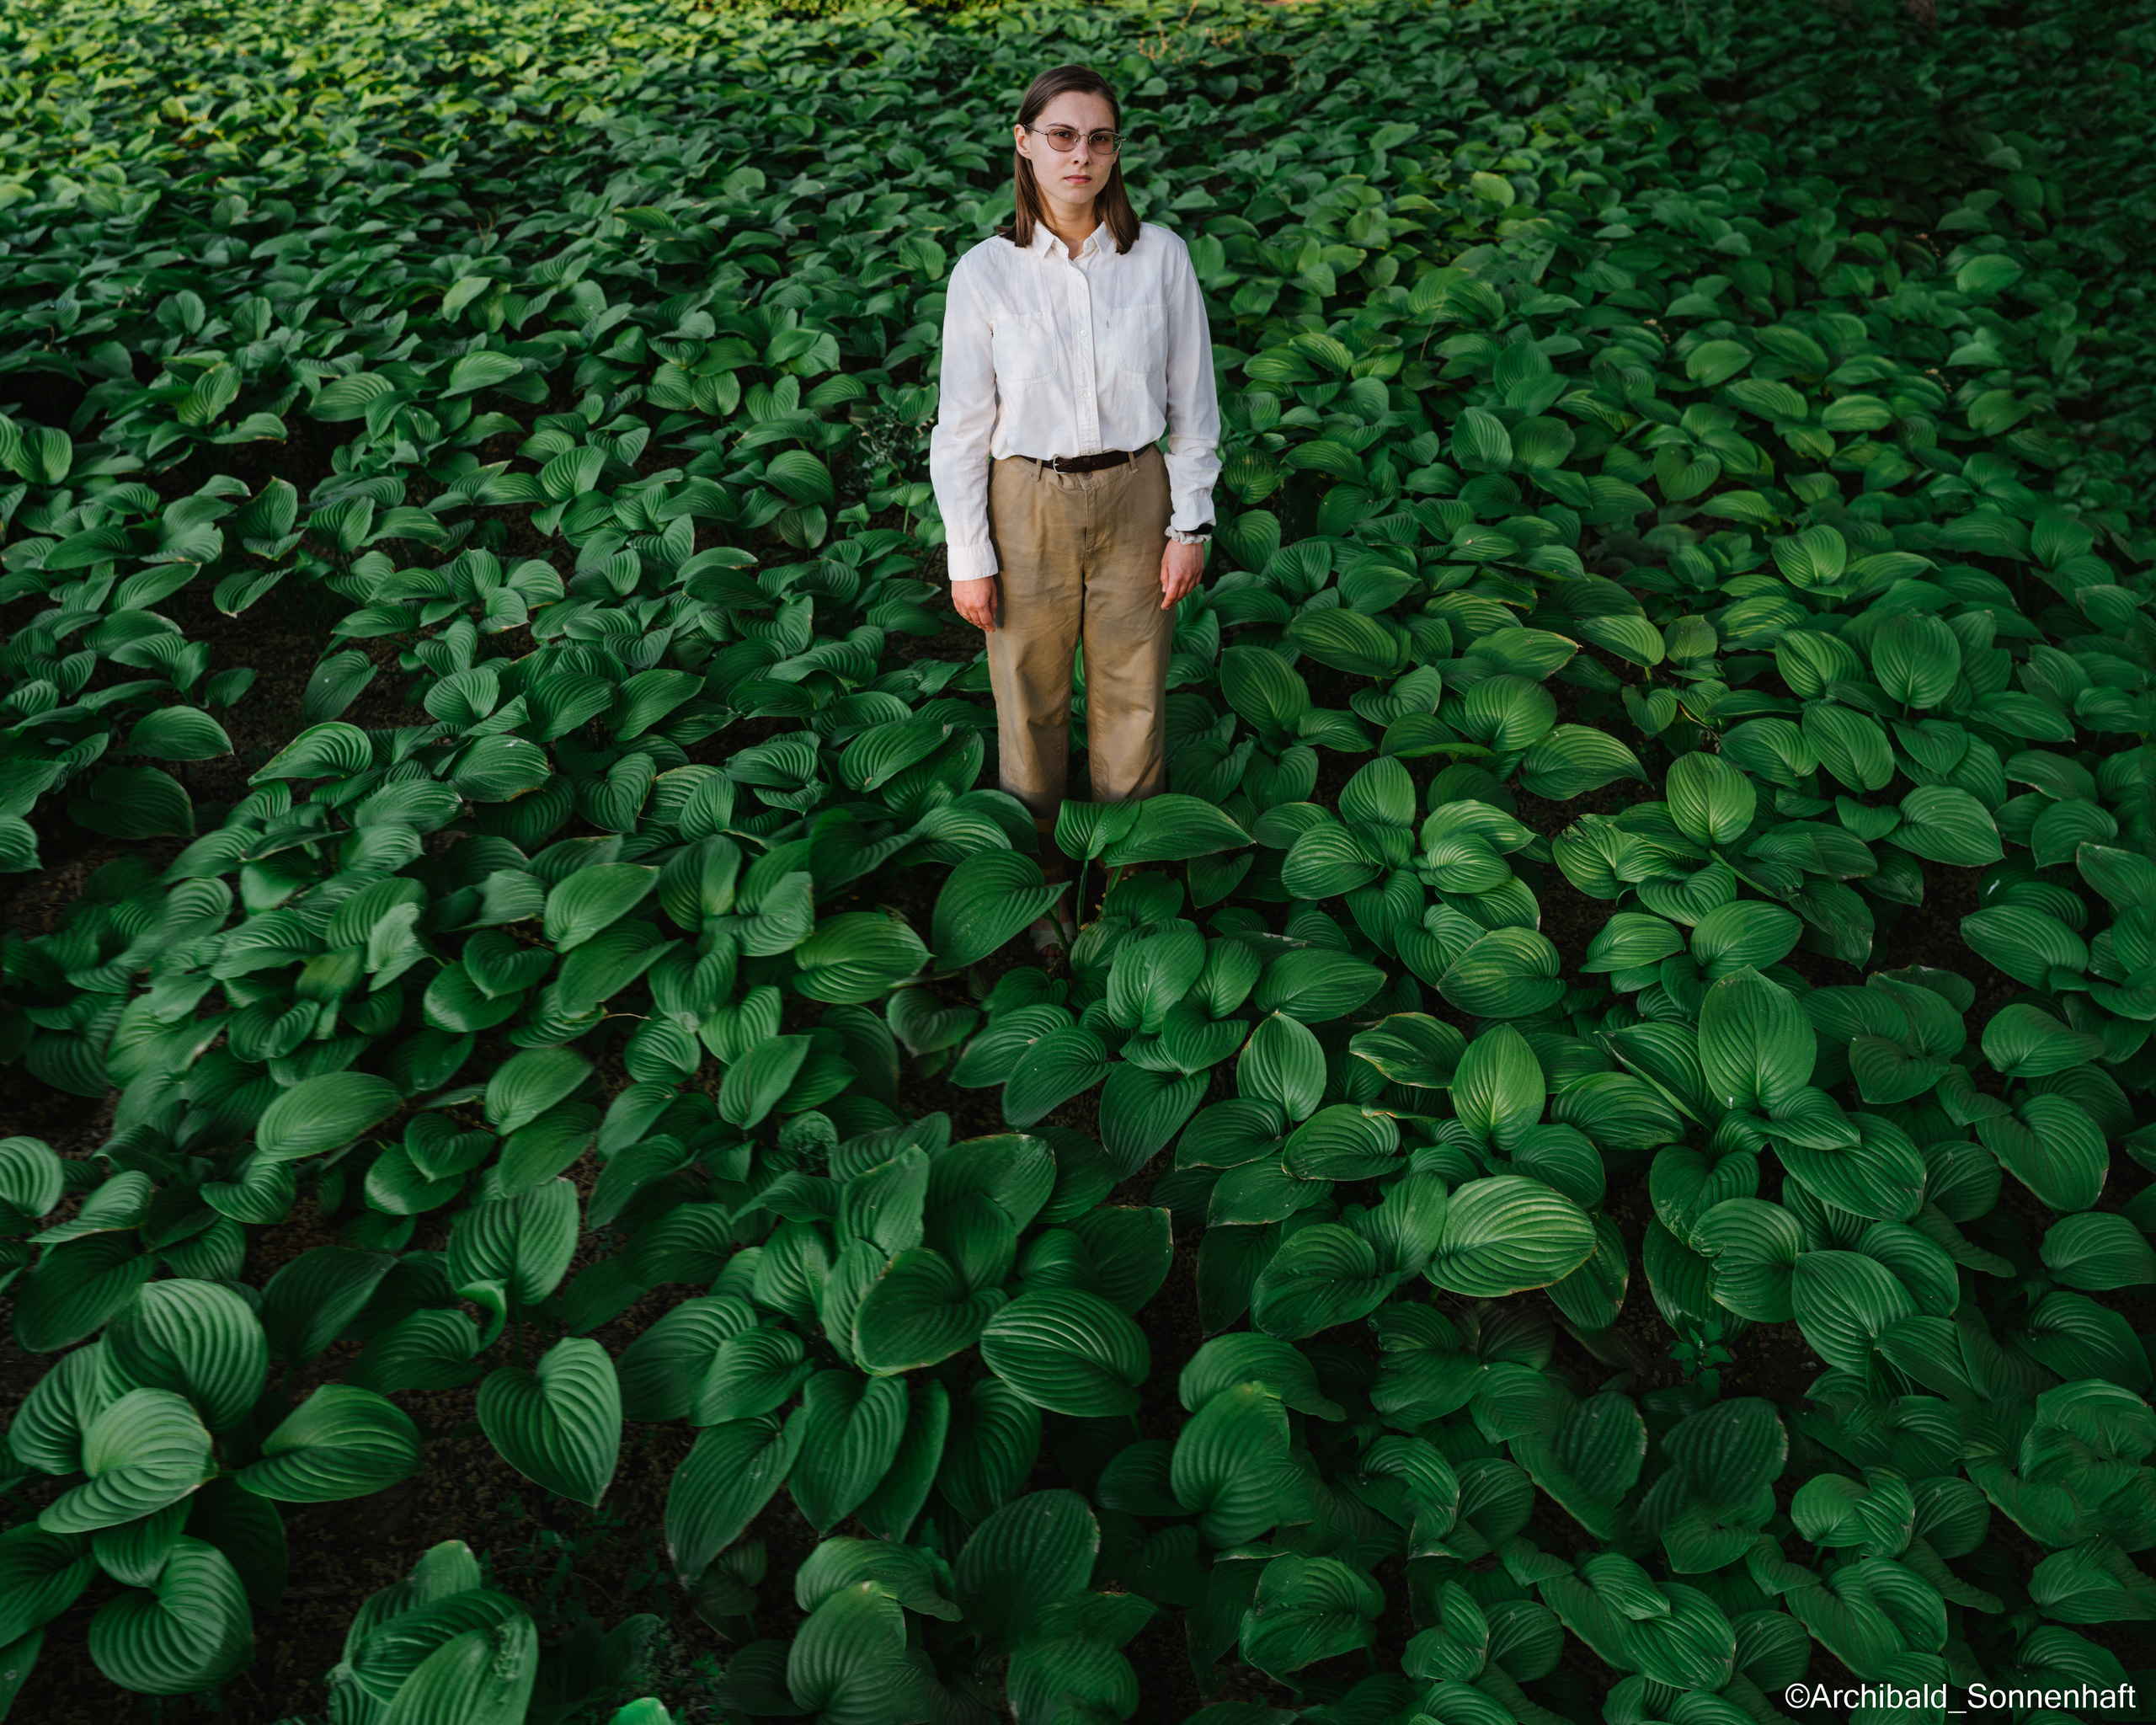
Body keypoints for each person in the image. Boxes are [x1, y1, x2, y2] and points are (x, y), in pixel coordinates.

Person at [928, 62, 1221, 955]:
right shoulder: (985, 274)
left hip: (1138, 492)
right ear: (1024, 144)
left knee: (1134, 696)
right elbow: (960, 426)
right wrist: (967, 552)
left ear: (1114, 151)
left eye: (1097, 138)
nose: (1079, 155)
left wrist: (1191, 521)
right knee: (1030, 697)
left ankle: (1125, 881)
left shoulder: (1159, 257)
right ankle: (1043, 883)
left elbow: (1194, 405)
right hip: (1028, 499)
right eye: (1060, 135)